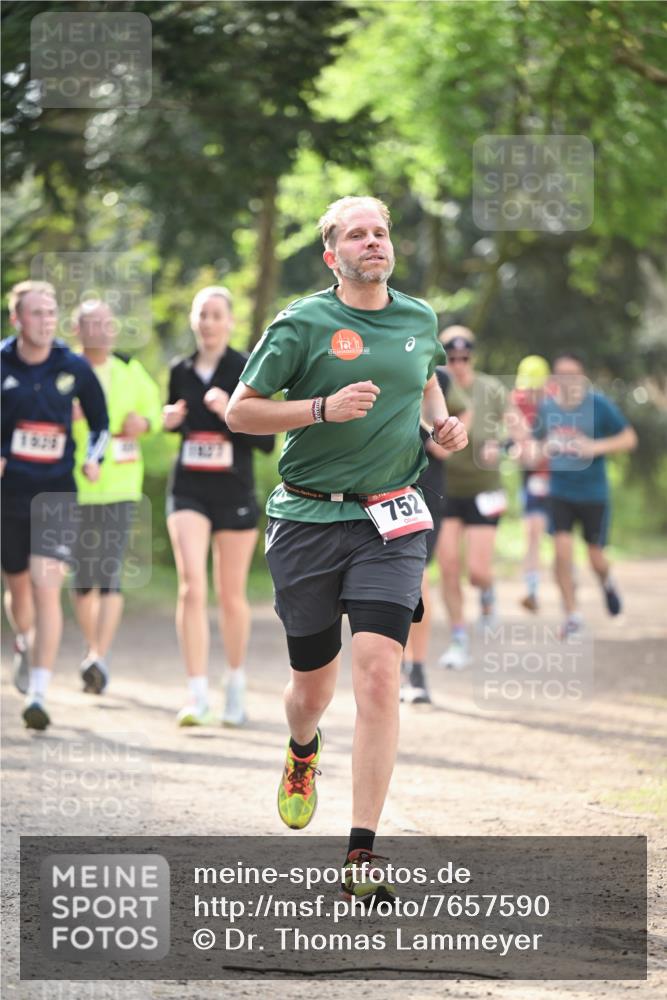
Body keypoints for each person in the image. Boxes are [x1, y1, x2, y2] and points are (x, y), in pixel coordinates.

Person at [225, 196, 467, 903]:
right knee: (311, 691)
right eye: (356, 235)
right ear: (332, 255)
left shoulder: (418, 319)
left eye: (380, 233)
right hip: (305, 519)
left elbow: (424, 382)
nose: (372, 242)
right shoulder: (302, 323)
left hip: (388, 520)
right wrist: (319, 410)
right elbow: (240, 410)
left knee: (377, 674)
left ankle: (361, 851)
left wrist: (441, 428)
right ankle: (303, 749)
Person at [163, 286, 274, 728]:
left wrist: (229, 409)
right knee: (191, 585)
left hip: (234, 490)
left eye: (216, 315)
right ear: (194, 321)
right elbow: (180, 425)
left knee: (230, 595)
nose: (208, 322)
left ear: (229, 322)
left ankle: (235, 684)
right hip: (188, 488)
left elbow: (266, 442)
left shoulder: (246, 368)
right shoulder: (180, 370)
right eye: (201, 315)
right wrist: (170, 419)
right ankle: (196, 695)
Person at [1, 282, 109, 730]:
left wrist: (91, 458)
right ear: (17, 319)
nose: (46, 320)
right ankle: (24, 642)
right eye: (37, 313)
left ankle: (40, 692)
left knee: (47, 588)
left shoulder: (74, 366)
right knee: (19, 589)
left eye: (51, 312)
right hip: (9, 495)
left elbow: (101, 422)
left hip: (57, 492)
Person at [71, 300, 162, 694]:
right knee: (81, 580)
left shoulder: (130, 369)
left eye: (107, 323)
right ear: (77, 330)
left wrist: (144, 422)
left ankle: (98, 656)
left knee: (108, 574)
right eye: (92, 324)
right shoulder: (65, 371)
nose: (101, 331)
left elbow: (155, 414)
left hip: (121, 487)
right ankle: (93, 649)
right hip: (72, 486)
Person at [531, 351, 637, 637]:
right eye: (561, 375)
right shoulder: (547, 409)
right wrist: (544, 449)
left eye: (573, 375)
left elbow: (629, 438)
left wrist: (594, 447)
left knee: (595, 558)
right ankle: (572, 615)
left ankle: (607, 582)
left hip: (593, 493)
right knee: (562, 552)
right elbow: (532, 449)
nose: (567, 381)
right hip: (560, 491)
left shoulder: (599, 405)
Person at [436, 326, 506, 670]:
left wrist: (503, 445)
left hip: (484, 487)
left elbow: (515, 427)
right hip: (446, 488)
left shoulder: (490, 388)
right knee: (448, 565)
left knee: (477, 571)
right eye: (452, 357)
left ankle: (488, 594)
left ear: (472, 357)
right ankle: (459, 637)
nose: (459, 363)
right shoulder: (437, 387)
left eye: (464, 357)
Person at [400, 368, 470, 704]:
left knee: (418, 579)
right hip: (377, 490)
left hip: (425, 492)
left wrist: (426, 430)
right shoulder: (373, 357)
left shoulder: (437, 374)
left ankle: (416, 669)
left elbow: (445, 448)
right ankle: (394, 664)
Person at [507, 355, 552, 612]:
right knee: (532, 532)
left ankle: (571, 599)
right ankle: (532, 591)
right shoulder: (517, 400)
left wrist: (541, 449)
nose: (531, 393)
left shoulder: (556, 401)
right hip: (532, 475)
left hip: (558, 476)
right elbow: (514, 437)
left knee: (560, 537)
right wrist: (517, 449)